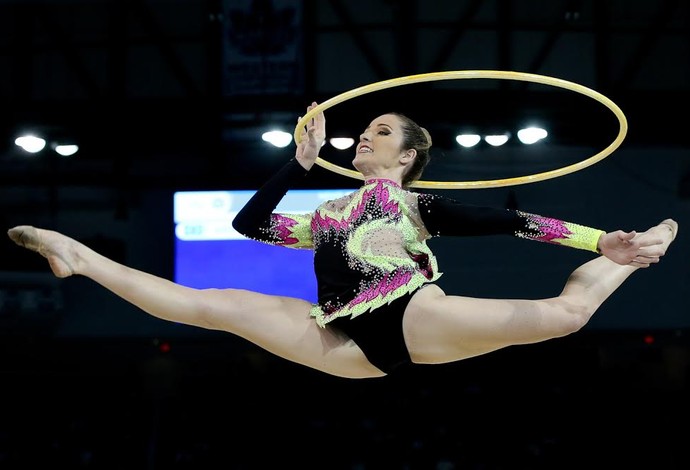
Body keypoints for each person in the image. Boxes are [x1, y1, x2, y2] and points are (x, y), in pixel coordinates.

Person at [7, 102, 677, 379]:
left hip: (412, 315)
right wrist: (296, 164)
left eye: (383, 132)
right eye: (366, 130)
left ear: (408, 156)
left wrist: (596, 242)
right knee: (208, 303)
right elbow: (250, 226)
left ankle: (635, 252)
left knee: (566, 316)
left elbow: (506, 220)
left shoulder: (411, 204)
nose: (366, 135)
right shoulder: (325, 213)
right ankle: (82, 255)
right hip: (337, 338)